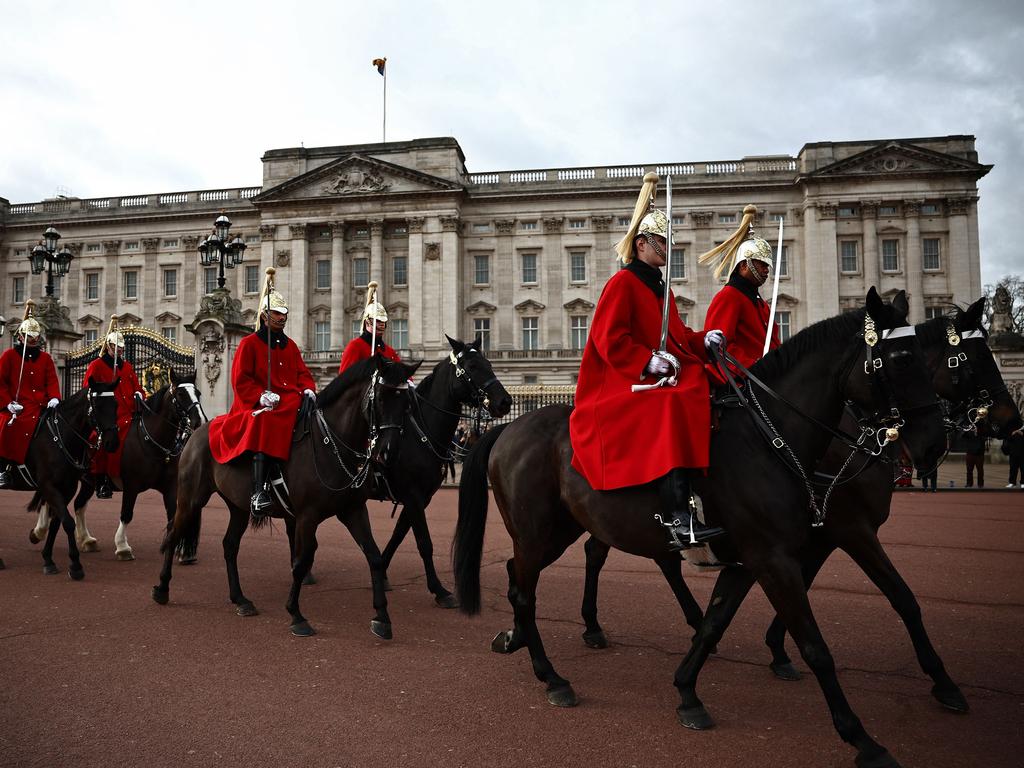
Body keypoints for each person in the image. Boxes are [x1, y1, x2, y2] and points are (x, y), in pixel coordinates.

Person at [569, 172, 725, 551]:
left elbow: (678, 337)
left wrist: (705, 339)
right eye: (662, 242)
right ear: (641, 244)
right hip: (619, 380)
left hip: (659, 371)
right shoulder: (622, 284)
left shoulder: (660, 288)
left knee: (710, 387)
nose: (668, 248)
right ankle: (677, 516)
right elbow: (609, 340)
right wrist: (647, 362)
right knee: (673, 401)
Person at [208, 271, 316, 517]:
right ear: (265, 316)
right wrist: (260, 396)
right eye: (277, 314)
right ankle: (259, 491)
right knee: (265, 419)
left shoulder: (290, 346)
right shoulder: (249, 344)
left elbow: (302, 374)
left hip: (290, 400)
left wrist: (309, 388)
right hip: (257, 405)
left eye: (284, 314)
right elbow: (240, 380)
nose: (282, 318)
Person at [700, 204, 781, 383]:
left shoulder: (760, 303)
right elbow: (722, 347)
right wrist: (754, 367)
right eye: (762, 264)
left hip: (770, 378)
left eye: (767, 266)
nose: (766, 270)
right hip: (745, 380)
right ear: (744, 265)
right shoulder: (729, 297)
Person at [0, 303, 61, 488]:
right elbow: (0, 382)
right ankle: (3, 469)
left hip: (39, 406)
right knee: (6, 427)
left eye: (35, 337)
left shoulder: (45, 358)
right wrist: (8, 404)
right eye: (29, 337)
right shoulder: (9, 355)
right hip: (16, 406)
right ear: (20, 336)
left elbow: (51, 381)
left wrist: (54, 397)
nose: (33, 340)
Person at [84, 321, 144, 499]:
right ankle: (102, 480)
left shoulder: (126, 367)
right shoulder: (97, 365)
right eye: (116, 347)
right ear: (108, 346)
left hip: (129, 413)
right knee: (101, 441)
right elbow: (88, 388)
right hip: (108, 416)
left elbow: (137, 387)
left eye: (121, 347)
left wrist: (140, 395)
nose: (119, 350)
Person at [339, 281, 401, 373]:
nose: (382, 324)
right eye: (378, 321)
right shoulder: (355, 347)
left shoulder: (390, 352)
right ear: (367, 322)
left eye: (383, 321)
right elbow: (345, 379)